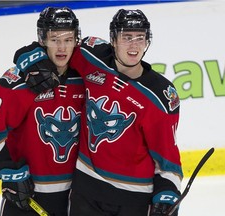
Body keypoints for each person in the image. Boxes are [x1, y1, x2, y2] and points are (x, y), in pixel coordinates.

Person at [13, 8, 183, 216]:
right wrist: (28, 56)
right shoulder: (91, 57)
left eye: (140, 38)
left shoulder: (160, 95)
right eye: (126, 37)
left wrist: (167, 192)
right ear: (112, 39)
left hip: (134, 199)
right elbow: (57, 43)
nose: (134, 44)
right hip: (86, 194)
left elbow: (168, 158)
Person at [0, 7, 85, 216]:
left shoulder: (86, 79)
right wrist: (8, 171)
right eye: (54, 39)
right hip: (29, 196)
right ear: (42, 39)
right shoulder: (18, 82)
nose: (62, 47)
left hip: (75, 197)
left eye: (68, 39)